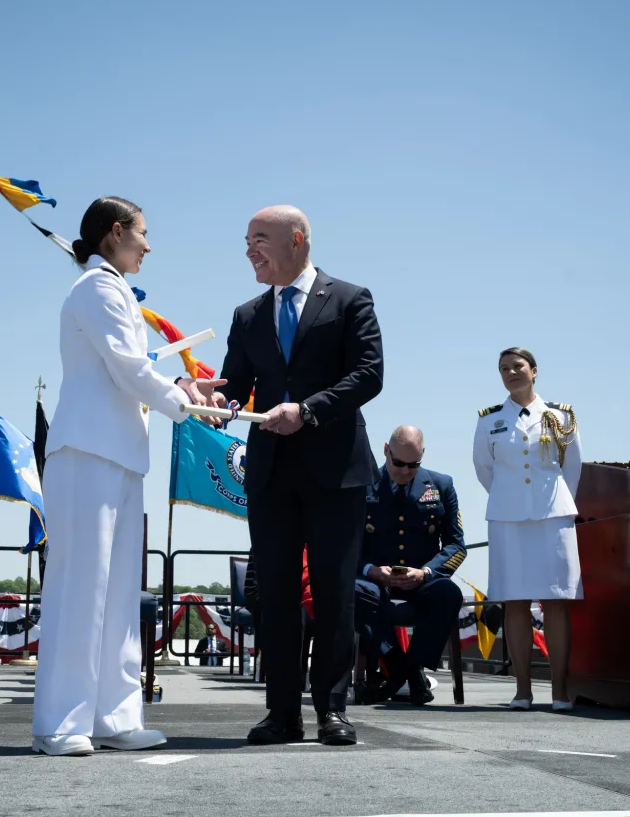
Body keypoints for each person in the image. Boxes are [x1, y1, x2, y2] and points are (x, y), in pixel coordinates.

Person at [32, 196, 227, 757]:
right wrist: (184, 401)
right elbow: (128, 367)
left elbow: (131, 372)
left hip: (117, 452)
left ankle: (113, 717)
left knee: (117, 592)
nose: (148, 244)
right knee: (79, 588)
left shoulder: (112, 288)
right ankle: (61, 723)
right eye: (142, 233)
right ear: (115, 233)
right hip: (87, 451)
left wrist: (182, 393)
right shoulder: (96, 288)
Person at [218, 205, 383, 746]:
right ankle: (281, 712)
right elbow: (234, 386)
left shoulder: (349, 298)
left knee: (336, 594)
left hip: (336, 472)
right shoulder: (246, 316)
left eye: (258, 239)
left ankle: (332, 710)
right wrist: (210, 397)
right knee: (276, 596)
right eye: (246, 241)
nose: (249, 250)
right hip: (269, 472)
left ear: (296, 239)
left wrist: (308, 410)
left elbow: (368, 375)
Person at [473, 347, 582, 712]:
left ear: (534, 371)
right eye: (503, 368)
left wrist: (546, 501)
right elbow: (484, 469)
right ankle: (522, 689)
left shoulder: (561, 415)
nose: (510, 373)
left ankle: (560, 689)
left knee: (555, 601)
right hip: (508, 517)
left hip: (553, 515)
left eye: (517, 367)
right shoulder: (489, 420)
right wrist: (514, 498)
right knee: (515, 601)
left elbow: (572, 469)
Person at [356, 425, 466, 705]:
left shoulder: (442, 485)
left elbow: (456, 545)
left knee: (449, 594)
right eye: (399, 463)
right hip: (375, 582)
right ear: (385, 451)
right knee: (352, 591)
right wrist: (372, 571)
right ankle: (406, 669)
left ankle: (399, 674)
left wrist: (426, 572)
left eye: (414, 464)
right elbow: (346, 546)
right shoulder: (361, 486)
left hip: (422, 582)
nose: (406, 471)